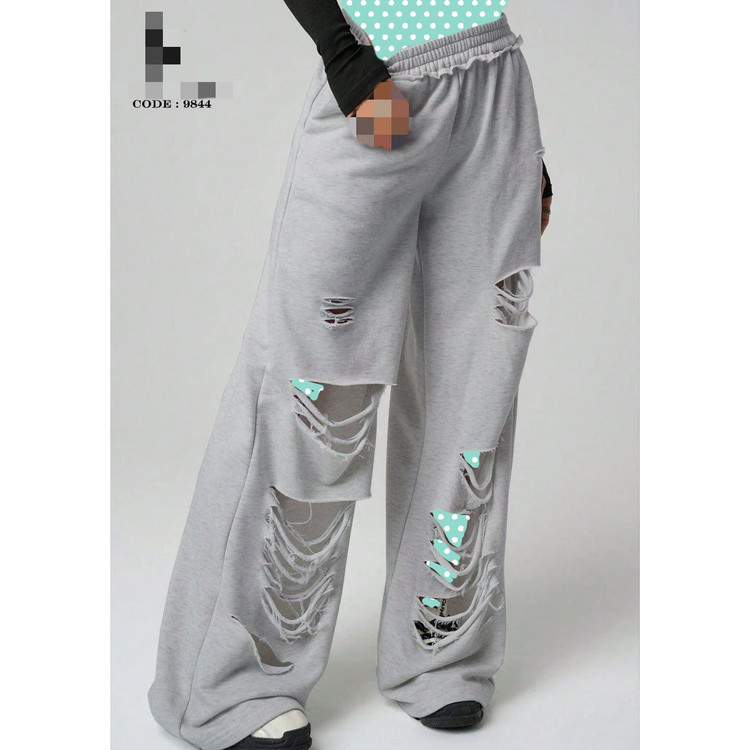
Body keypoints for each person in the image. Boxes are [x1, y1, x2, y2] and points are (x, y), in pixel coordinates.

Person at [148, 2, 553, 748]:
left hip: (495, 82)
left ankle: (441, 650)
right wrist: (346, 59)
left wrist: (530, 154)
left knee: (477, 383)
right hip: (383, 76)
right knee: (311, 387)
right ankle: (228, 682)